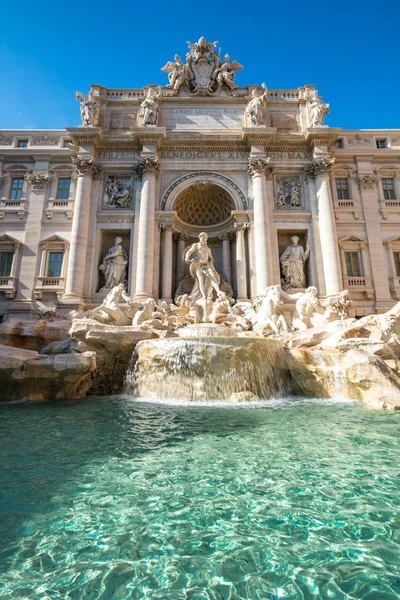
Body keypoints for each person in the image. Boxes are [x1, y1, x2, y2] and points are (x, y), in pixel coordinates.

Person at [184, 232, 221, 300]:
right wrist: (187, 257)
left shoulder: (208, 248)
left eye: (205, 237)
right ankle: (203, 296)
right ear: (199, 238)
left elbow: (211, 257)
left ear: (206, 239)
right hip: (198, 264)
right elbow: (189, 251)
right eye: (202, 237)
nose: (203, 238)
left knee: (212, 276)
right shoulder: (196, 245)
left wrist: (211, 262)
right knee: (200, 279)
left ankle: (218, 291)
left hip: (206, 265)